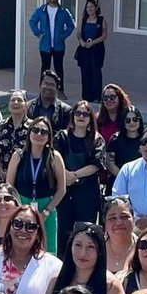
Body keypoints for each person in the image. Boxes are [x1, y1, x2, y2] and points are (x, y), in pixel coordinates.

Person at [52, 100, 107, 257]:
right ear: (73, 116)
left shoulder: (97, 139)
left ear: (90, 118)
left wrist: (74, 175)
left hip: (87, 194)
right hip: (63, 193)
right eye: (78, 113)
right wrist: (65, 175)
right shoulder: (61, 136)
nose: (81, 116)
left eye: (85, 114)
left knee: (85, 232)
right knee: (62, 232)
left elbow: (97, 165)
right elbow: (53, 158)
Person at [48, 221, 124, 294]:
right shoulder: (55, 280)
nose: (83, 253)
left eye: (91, 247)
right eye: (78, 245)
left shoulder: (111, 286)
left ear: (100, 251)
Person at [5, 116, 66, 250]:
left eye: (43, 132)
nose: (39, 134)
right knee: (21, 249)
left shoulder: (55, 157)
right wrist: (18, 209)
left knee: (47, 252)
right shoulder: (18, 156)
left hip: (46, 210)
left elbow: (61, 190)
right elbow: (9, 188)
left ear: (49, 137)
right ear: (29, 133)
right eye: (35, 130)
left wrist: (46, 212)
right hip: (21, 208)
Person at [29, 0, 75, 83]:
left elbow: (71, 25)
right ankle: (43, 88)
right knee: (45, 69)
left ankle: (60, 89)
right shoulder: (41, 10)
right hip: (45, 45)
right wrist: (38, 33)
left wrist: (63, 36)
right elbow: (32, 22)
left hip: (59, 45)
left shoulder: (64, 11)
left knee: (59, 68)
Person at [74, 0, 107, 101]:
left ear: (96, 8)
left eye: (91, 6)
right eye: (88, 7)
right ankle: (86, 96)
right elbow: (79, 33)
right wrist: (81, 41)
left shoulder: (101, 20)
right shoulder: (83, 20)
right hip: (84, 50)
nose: (89, 9)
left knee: (96, 72)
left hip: (97, 50)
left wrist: (93, 42)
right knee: (85, 73)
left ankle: (96, 96)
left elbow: (104, 35)